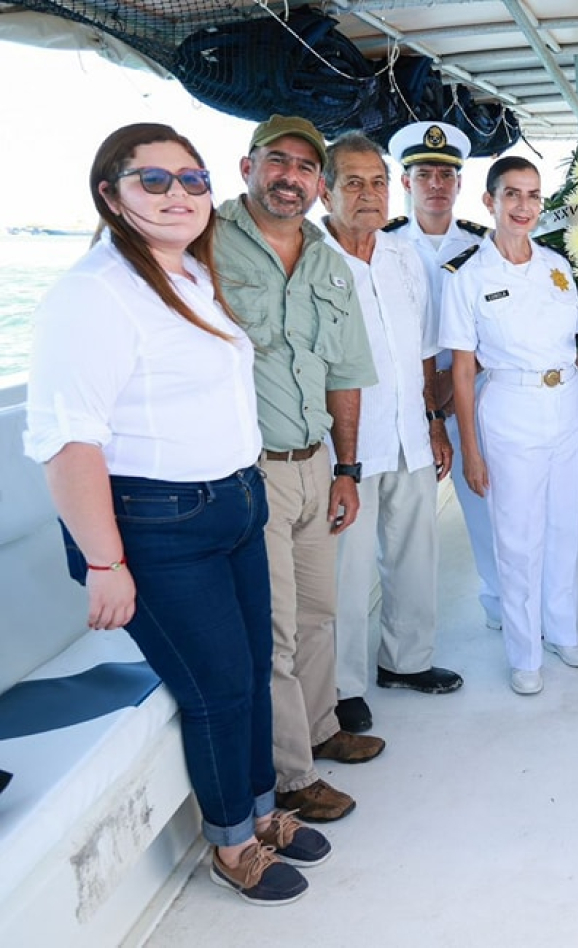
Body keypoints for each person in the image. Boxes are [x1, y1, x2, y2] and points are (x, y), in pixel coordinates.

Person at [24, 123, 329, 904]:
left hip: (232, 502)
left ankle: (262, 810)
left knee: (256, 666)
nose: (178, 196)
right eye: (152, 181)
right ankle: (232, 844)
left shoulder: (190, 273)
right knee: (219, 687)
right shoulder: (94, 294)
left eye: (191, 181)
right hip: (159, 529)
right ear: (111, 195)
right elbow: (68, 442)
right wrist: (104, 562)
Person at [215, 115, 384, 823]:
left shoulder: (324, 259)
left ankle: (321, 728)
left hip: (316, 464)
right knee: (279, 628)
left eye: (305, 168)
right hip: (251, 471)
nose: (290, 177)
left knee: (320, 614)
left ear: (319, 185)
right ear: (248, 165)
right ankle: (290, 774)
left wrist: (346, 467)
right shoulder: (207, 242)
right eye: (277, 162)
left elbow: (345, 371)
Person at [320, 132, 462, 735]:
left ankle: (406, 662)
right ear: (324, 191)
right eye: (353, 183)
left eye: (377, 182)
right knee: (346, 572)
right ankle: (342, 685)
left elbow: (426, 350)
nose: (368, 194)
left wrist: (435, 423)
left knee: (414, 551)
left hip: (408, 429)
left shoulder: (403, 255)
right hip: (341, 446)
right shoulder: (310, 255)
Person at [438, 156, 578, 696]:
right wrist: (471, 452)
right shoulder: (467, 276)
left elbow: (572, 346)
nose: (523, 206)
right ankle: (524, 652)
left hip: (567, 401)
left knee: (563, 525)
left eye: (532, 195)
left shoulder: (556, 266)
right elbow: (462, 369)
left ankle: (561, 630)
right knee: (517, 536)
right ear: (489, 202)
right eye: (511, 195)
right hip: (509, 403)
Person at [385, 121, 503, 633]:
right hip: (401, 399)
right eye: (423, 173)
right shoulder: (383, 243)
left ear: (459, 185)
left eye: (446, 174)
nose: (436, 183)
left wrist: (456, 387)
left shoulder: (484, 245)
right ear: (406, 183)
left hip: (468, 393)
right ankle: (403, 634)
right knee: (400, 523)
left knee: (486, 506)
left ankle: (503, 606)